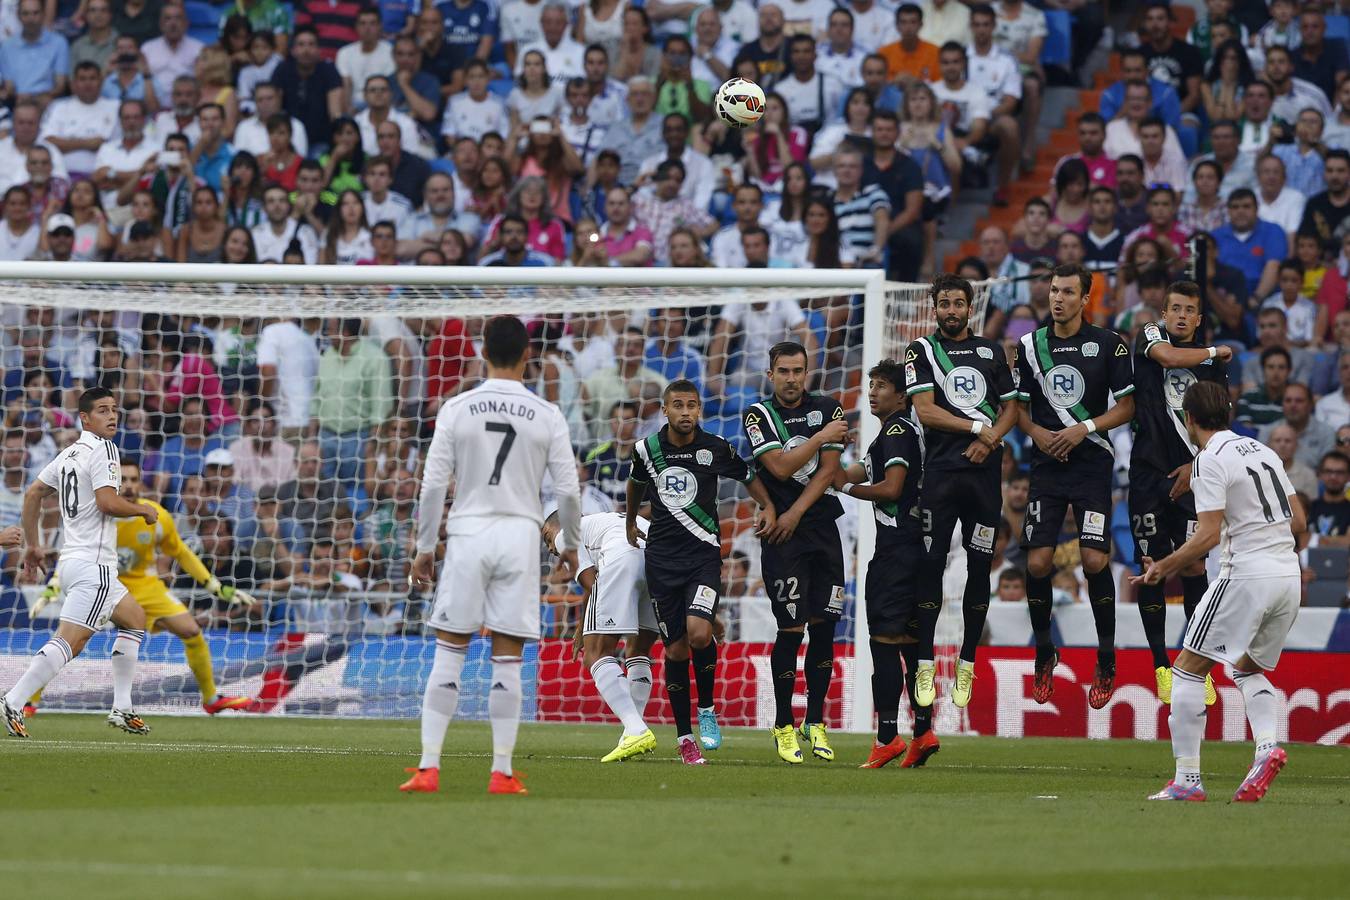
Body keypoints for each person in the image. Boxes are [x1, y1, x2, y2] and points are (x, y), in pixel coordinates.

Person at [402, 316, 582, 796]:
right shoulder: (547, 414)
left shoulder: (458, 407)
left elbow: (433, 484)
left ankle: (428, 767)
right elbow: (567, 489)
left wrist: (424, 548)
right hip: (520, 536)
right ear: (528, 355)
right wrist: (570, 544)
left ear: (482, 351)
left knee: (450, 650)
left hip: (468, 532)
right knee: (507, 659)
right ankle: (501, 772)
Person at [1132, 381, 1302, 804]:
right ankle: (1266, 748)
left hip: (1246, 575)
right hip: (1288, 575)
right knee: (1246, 669)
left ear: (1189, 419)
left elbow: (1207, 534)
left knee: (1188, 669)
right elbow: (1297, 519)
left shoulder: (1208, 459)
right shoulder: (1263, 451)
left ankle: (1187, 780)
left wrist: (1163, 567)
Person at [27, 459, 257, 717]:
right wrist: (53, 588)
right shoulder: (95, 516)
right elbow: (73, 555)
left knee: (191, 631)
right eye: (123, 479)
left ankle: (211, 698)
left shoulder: (156, 515)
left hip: (146, 588)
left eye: (134, 479)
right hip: (103, 586)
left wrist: (215, 587)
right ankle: (30, 700)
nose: (129, 485)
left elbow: (180, 552)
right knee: (69, 642)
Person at [627, 379, 776, 765]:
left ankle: (707, 709)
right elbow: (635, 484)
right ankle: (683, 737)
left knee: (698, 633)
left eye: (691, 405)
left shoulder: (715, 448)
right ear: (665, 410)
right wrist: (629, 521)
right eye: (677, 405)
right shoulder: (648, 449)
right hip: (661, 560)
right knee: (675, 648)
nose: (685, 412)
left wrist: (768, 507)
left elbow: (747, 476)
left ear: (699, 410)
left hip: (703, 556)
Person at [2, 388, 158, 739]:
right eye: (103, 410)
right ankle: (14, 698)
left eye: (114, 410)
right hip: (94, 565)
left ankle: (122, 707)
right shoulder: (105, 449)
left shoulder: (69, 453)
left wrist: (33, 546)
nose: (112, 416)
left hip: (75, 562)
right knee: (71, 641)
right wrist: (142, 509)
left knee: (134, 618)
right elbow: (107, 502)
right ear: (85, 418)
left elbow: (33, 494)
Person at [1013, 263, 1136, 708]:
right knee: (1040, 562)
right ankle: (1044, 651)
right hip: (1047, 464)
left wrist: (1082, 428)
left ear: (1086, 298)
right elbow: (1016, 409)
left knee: (1094, 558)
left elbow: (1127, 408)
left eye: (1067, 291)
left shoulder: (1109, 345)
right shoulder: (1030, 346)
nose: (1058, 298)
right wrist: (1038, 433)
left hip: (1091, 462)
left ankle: (1106, 656)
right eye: (1053, 291)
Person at [907, 273, 1019, 711]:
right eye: (945, 303)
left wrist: (990, 440)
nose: (952, 310)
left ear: (971, 307)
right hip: (939, 475)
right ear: (934, 306)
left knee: (979, 568)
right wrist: (978, 426)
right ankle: (924, 663)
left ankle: (967, 660)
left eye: (959, 303)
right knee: (931, 565)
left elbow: (1012, 407)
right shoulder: (921, 350)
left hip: (983, 478)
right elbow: (925, 410)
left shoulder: (991, 351)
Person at [742, 341, 848, 764]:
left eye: (797, 371)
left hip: (820, 529)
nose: (790, 378)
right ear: (771, 375)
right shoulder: (758, 415)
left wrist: (794, 512)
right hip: (784, 540)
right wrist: (821, 437)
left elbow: (829, 471)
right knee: (791, 629)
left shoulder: (830, 406)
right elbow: (781, 468)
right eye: (783, 371)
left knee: (825, 628)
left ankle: (816, 720)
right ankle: (784, 723)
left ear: (808, 372)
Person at [1129, 281, 1232, 703]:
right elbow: (1168, 358)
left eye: (1190, 310)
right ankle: (1159, 664)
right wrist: (1213, 352)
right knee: (1153, 564)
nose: (1182, 316)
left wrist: (1195, 465)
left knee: (1192, 568)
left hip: (1193, 477)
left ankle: (1198, 665)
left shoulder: (1212, 367)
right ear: (1164, 312)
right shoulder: (1152, 338)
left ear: (1199, 318)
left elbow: (1222, 422)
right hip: (1147, 474)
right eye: (1175, 309)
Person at [834, 357, 934, 769]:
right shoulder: (899, 434)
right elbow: (850, 473)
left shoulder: (895, 432)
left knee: (884, 644)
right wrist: (828, 462)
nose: (872, 391)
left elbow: (890, 488)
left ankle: (887, 737)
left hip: (897, 553)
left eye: (880, 385)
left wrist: (850, 488)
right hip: (919, 551)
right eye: (870, 384)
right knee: (912, 647)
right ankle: (924, 731)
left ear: (901, 394)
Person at [544, 508, 661, 762]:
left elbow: (591, 581)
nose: (550, 549)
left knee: (595, 654)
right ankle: (632, 731)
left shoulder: (566, 533)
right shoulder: (607, 521)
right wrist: (581, 627)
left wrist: (586, 630)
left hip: (621, 561)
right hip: (658, 564)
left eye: (546, 538)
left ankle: (636, 729)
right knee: (638, 651)